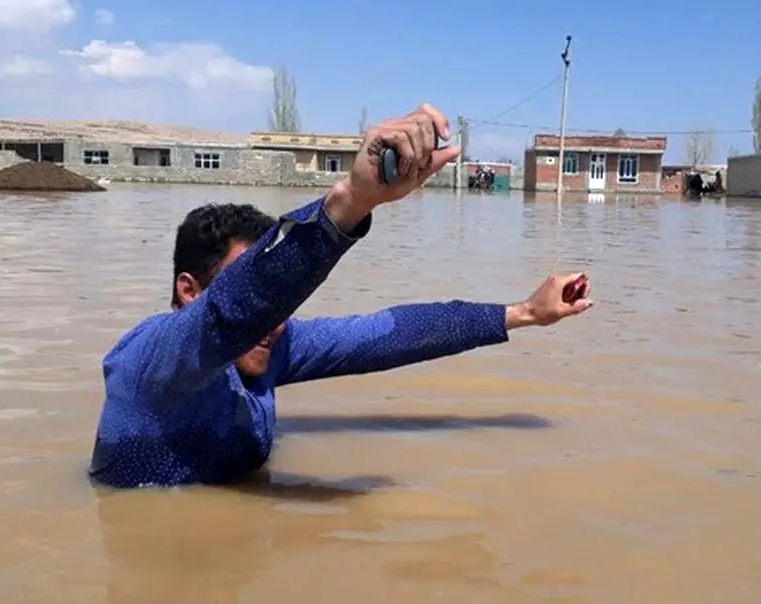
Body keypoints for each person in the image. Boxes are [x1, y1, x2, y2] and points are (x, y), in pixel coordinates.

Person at [89, 104, 595, 489]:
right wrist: (351, 202)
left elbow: (383, 337)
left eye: (281, 308)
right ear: (188, 291)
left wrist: (523, 313)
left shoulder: (270, 352)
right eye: (267, 301)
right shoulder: (150, 361)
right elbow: (240, 304)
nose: (274, 319)